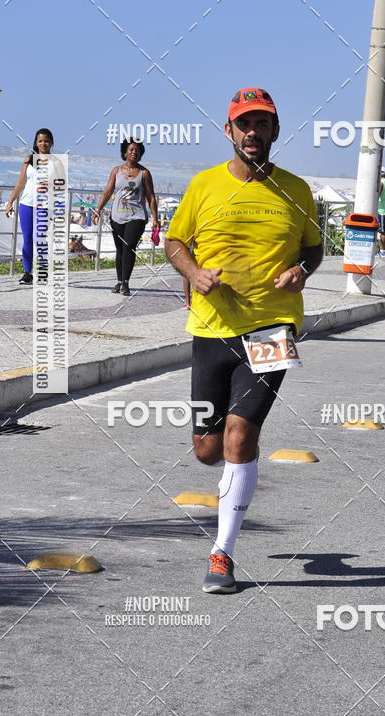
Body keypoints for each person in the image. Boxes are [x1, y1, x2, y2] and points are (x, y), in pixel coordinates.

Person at [165, 87, 323, 593]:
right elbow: (173, 242)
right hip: (211, 330)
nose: (253, 133)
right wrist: (194, 272)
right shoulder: (204, 185)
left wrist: (301, 270)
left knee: (240, 436)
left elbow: (314, 250)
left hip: (273, 329)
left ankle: (222, 555)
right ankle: (231, 473)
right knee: (206, 450)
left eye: (263, 124)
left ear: (275, 131)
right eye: (244, 124)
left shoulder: (297, 191)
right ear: (229, 130)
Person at [93, 139, 159, 296]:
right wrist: (98, 210)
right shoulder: (116, 171)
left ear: (140, 153)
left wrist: (155, 218)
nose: (134, 152)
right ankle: (119, 281)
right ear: (125, 153)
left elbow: (151, 196)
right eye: (131, 150)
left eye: (137, 150)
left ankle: (126, 283)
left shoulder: (144, 173)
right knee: (120, 249)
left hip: (137, 216)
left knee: (129, 246)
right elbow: (108, 191)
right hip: (117, 215)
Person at [4, 128, 55, 284]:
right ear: (36, 142)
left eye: (46, 140)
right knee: (27, 238)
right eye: (40, 140)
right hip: (27, 203)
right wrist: (10, 201)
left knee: (40, 238)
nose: (43, 143)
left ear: (51, 142)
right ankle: (27, 273)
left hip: (44, 206)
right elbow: (21, 182)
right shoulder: (28, 159)